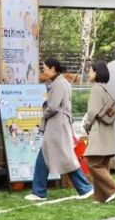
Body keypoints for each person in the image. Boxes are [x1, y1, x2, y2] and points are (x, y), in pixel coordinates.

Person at [25, 58, 93, 201]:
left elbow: (53, 106)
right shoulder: (60, 82)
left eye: (45, 68)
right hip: (58, 125)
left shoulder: (59, 84)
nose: (43, 71)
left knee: (64, 158)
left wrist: (44, 113)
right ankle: (39, 191)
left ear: (52, 69)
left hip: (57, 126)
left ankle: (84, 188)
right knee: (47, 157)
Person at [83, 61, 115, 203]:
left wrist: (86, 125)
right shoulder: (106, 89)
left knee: (93, 164)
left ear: (96, 73)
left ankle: (114, 188)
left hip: (99, 131)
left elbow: (92, 112)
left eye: (91, 70)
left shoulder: (96, 89)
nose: (89, 73)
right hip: (108, 132)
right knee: (103, 164)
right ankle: (102, 196)